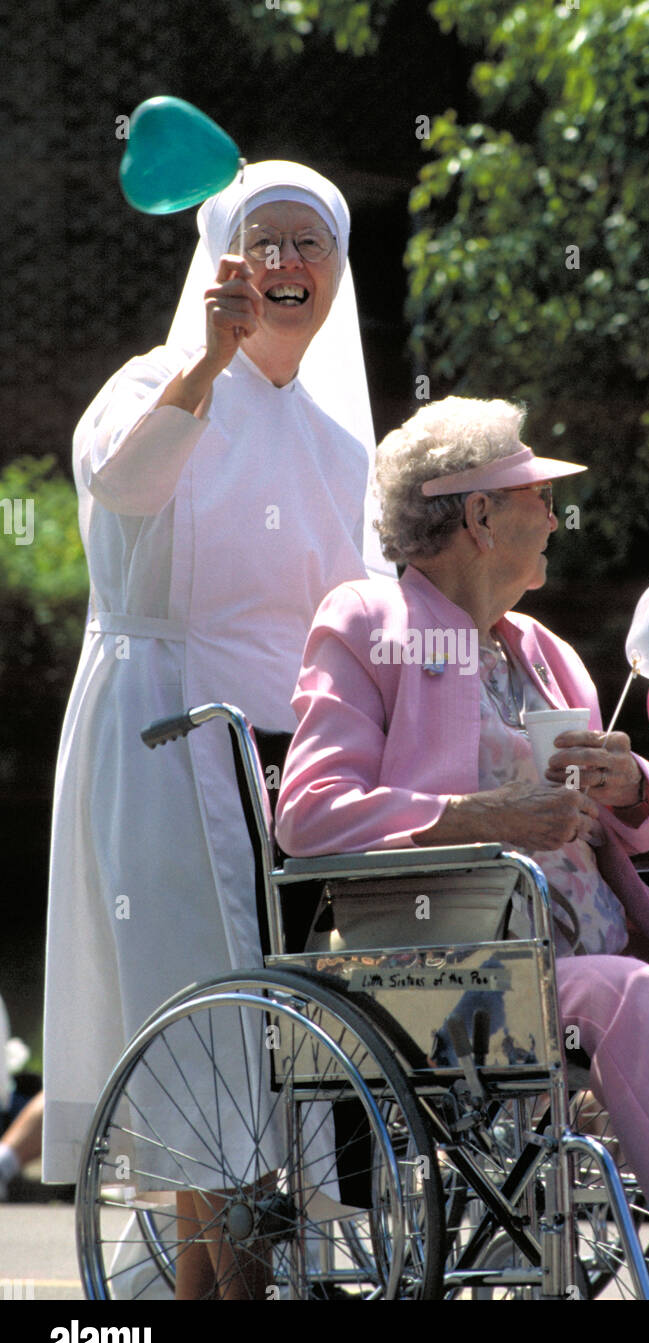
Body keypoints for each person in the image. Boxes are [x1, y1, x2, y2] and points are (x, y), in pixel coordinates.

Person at [277, 395, 649, 1300]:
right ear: (478, 515)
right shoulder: (367, 621)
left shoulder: (546, 653)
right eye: (535, 493)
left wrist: (630, 785)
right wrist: (488, 814)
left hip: (583, 952)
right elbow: (312, 813)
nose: (554, 516)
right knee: (632, 992)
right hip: (446, 956)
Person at [42, 162, 389, 1283]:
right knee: (202, 1026)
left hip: (290, 763)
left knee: (274, 1049)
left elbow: (357, 610)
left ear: (337, 268)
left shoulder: (341, 439)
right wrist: (205, 362)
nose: (287, 265)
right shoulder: (151, 377)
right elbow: (127, 486)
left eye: (310, 244)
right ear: (223, 261)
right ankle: (220, 1277)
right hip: (162, 735)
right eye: (264, 242)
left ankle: (217, 1283)